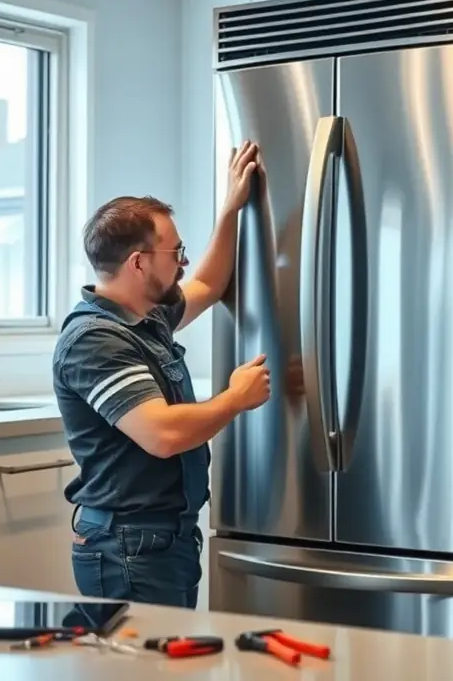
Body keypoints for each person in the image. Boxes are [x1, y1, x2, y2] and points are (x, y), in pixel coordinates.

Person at [52, 140, 271, 609]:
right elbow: (162, 435)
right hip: (129, 550)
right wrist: (235, 398)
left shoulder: (145, 316)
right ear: (139, 262)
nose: (183, 262)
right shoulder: (95, 340)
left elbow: (210, 283)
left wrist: (231, 208)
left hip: (160, 542)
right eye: (175, 251)